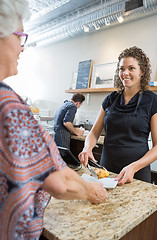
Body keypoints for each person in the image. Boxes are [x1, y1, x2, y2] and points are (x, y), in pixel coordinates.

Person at [0, 1, 107, 239]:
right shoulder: (9, 106)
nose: (22, 48)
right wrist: (89, 190)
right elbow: (58, 183)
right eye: (20, 37)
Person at [79, 46, 157, 184]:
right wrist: (87, 148)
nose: (125, 73)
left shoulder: (154, 102)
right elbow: (94, 133)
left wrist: (134, 167)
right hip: (106, 171)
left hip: (136, 173)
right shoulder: (110, 99)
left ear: (142, 72)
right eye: (121, 68)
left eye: (131, 68)